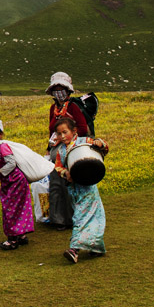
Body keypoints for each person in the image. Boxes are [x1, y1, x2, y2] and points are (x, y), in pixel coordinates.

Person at [52, 115, 109, 263]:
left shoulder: (85, 142)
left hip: (88, 188)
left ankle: (74, 249)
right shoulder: (61, 150)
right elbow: (58, 167)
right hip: (74, 189)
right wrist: (66, 173)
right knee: (92, 216)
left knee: (80, 216)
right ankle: (95, 247)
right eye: (59, 133)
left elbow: (104, 149)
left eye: (65, 132)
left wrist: (100, 143)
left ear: (74, 131)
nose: (62, 136)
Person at [0, 117, 34, 250]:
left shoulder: (2, 147)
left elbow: (11, 163)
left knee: (11, 208)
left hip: (15, 181)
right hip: (8, 182)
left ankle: (12, 239)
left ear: (0, 135)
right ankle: (20, 235)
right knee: (15, 207)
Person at [45, 71, 90, 231]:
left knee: (69, 184)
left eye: (61, 88)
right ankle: (58, 220)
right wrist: (50, 145)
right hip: (55, 151)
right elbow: (50, 130)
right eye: (56, 89)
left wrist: (66, 138)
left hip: (71, 151)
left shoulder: (74, 107)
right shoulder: (53, 108)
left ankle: (74, 218)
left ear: (68, 90)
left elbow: (83, 129)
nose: (59, 92)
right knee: (56, 185)